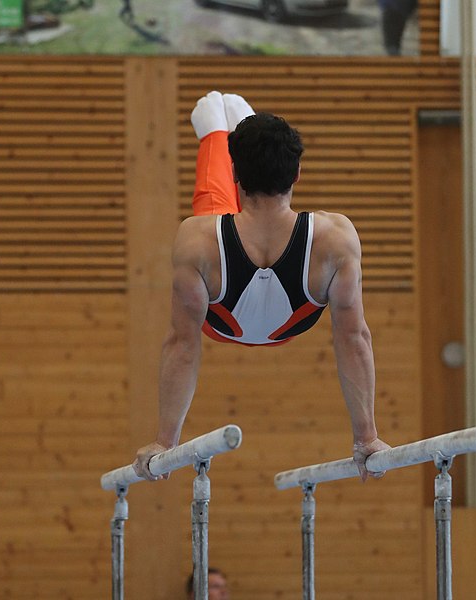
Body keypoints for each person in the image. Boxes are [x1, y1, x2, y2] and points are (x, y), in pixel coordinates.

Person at [133, 91, 389, 483]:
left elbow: (182, 343)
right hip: (289, 324)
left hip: (221, 321)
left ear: (236, 176)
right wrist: (366, 437)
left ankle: (218, 135)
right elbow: (354, 338)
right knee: (214, 218)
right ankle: (223, 132)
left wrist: (165, 442)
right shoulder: (334, 239)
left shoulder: (196, 241)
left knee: (211, 217)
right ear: (298, 173)